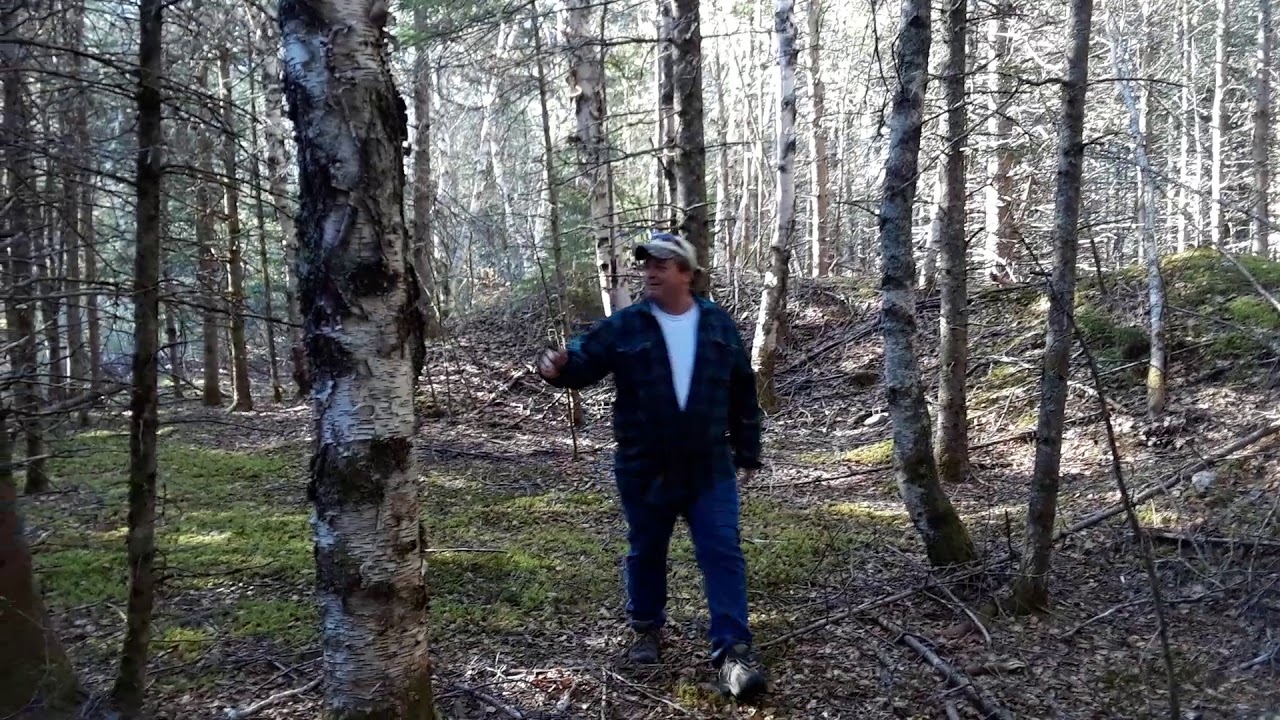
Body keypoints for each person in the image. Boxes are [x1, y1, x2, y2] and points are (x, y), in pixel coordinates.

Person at [535, 231, 768, 703]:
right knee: (646, 550)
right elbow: (582, 360)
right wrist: (558, 367)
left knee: (723, 552)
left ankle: (732, 655)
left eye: (662, 263)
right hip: (645, 466)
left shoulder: (719, 326)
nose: (651, 272)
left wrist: (747, 452)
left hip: (709, 466)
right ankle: (646, 629)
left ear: (687, 273)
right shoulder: (627, 325)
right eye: (647, 265)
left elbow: (744, 391)